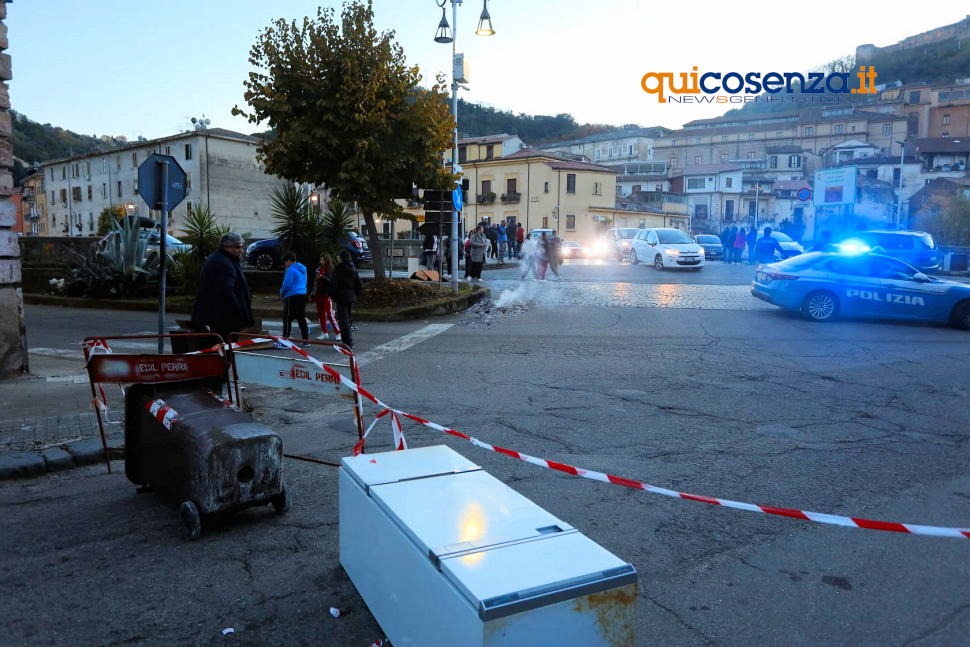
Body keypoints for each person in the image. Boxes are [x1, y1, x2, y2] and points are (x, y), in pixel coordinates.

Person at [191, 233, 254, 346]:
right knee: (224, 351)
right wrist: (238, 312)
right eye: (237, 247)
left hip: (215, 317)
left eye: (241, 247)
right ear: (227, 247)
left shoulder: (216, 258)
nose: (241, 251)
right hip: (225, 320)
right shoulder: (225, 264)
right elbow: (226, 292)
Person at [331, 250, 363, 349]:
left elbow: (333, 285)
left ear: (341, 258)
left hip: (341, 297)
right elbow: (359, 284)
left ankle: (347, 343)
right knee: (347, 319)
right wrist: (355, 295)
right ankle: (349, 341)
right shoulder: (353, 268)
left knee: (343, 321)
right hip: (351, 296)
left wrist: (334, 296)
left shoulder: (338, 269)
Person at [276, 251, 309, 348]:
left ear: (289, 261)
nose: (285, 264)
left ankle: (284, 340)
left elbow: (287, 284)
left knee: (287, 319)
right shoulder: (303, 268)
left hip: (292, 295)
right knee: (301, 318)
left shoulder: (291, 270)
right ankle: (305, 340)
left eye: (285, 262)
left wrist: (282, 292)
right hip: (302, 293)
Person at [313, 252, 340, 342]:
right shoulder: (319, 269)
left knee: (330, 314)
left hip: (326, 295)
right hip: (318, 294)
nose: (322, 262)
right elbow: (315, 283)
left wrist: (323, 277)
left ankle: (338, 332)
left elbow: (332, 282)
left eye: (324, 260)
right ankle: (324, 332)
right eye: (321, 260)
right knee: (321, 314)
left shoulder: (331, 270)